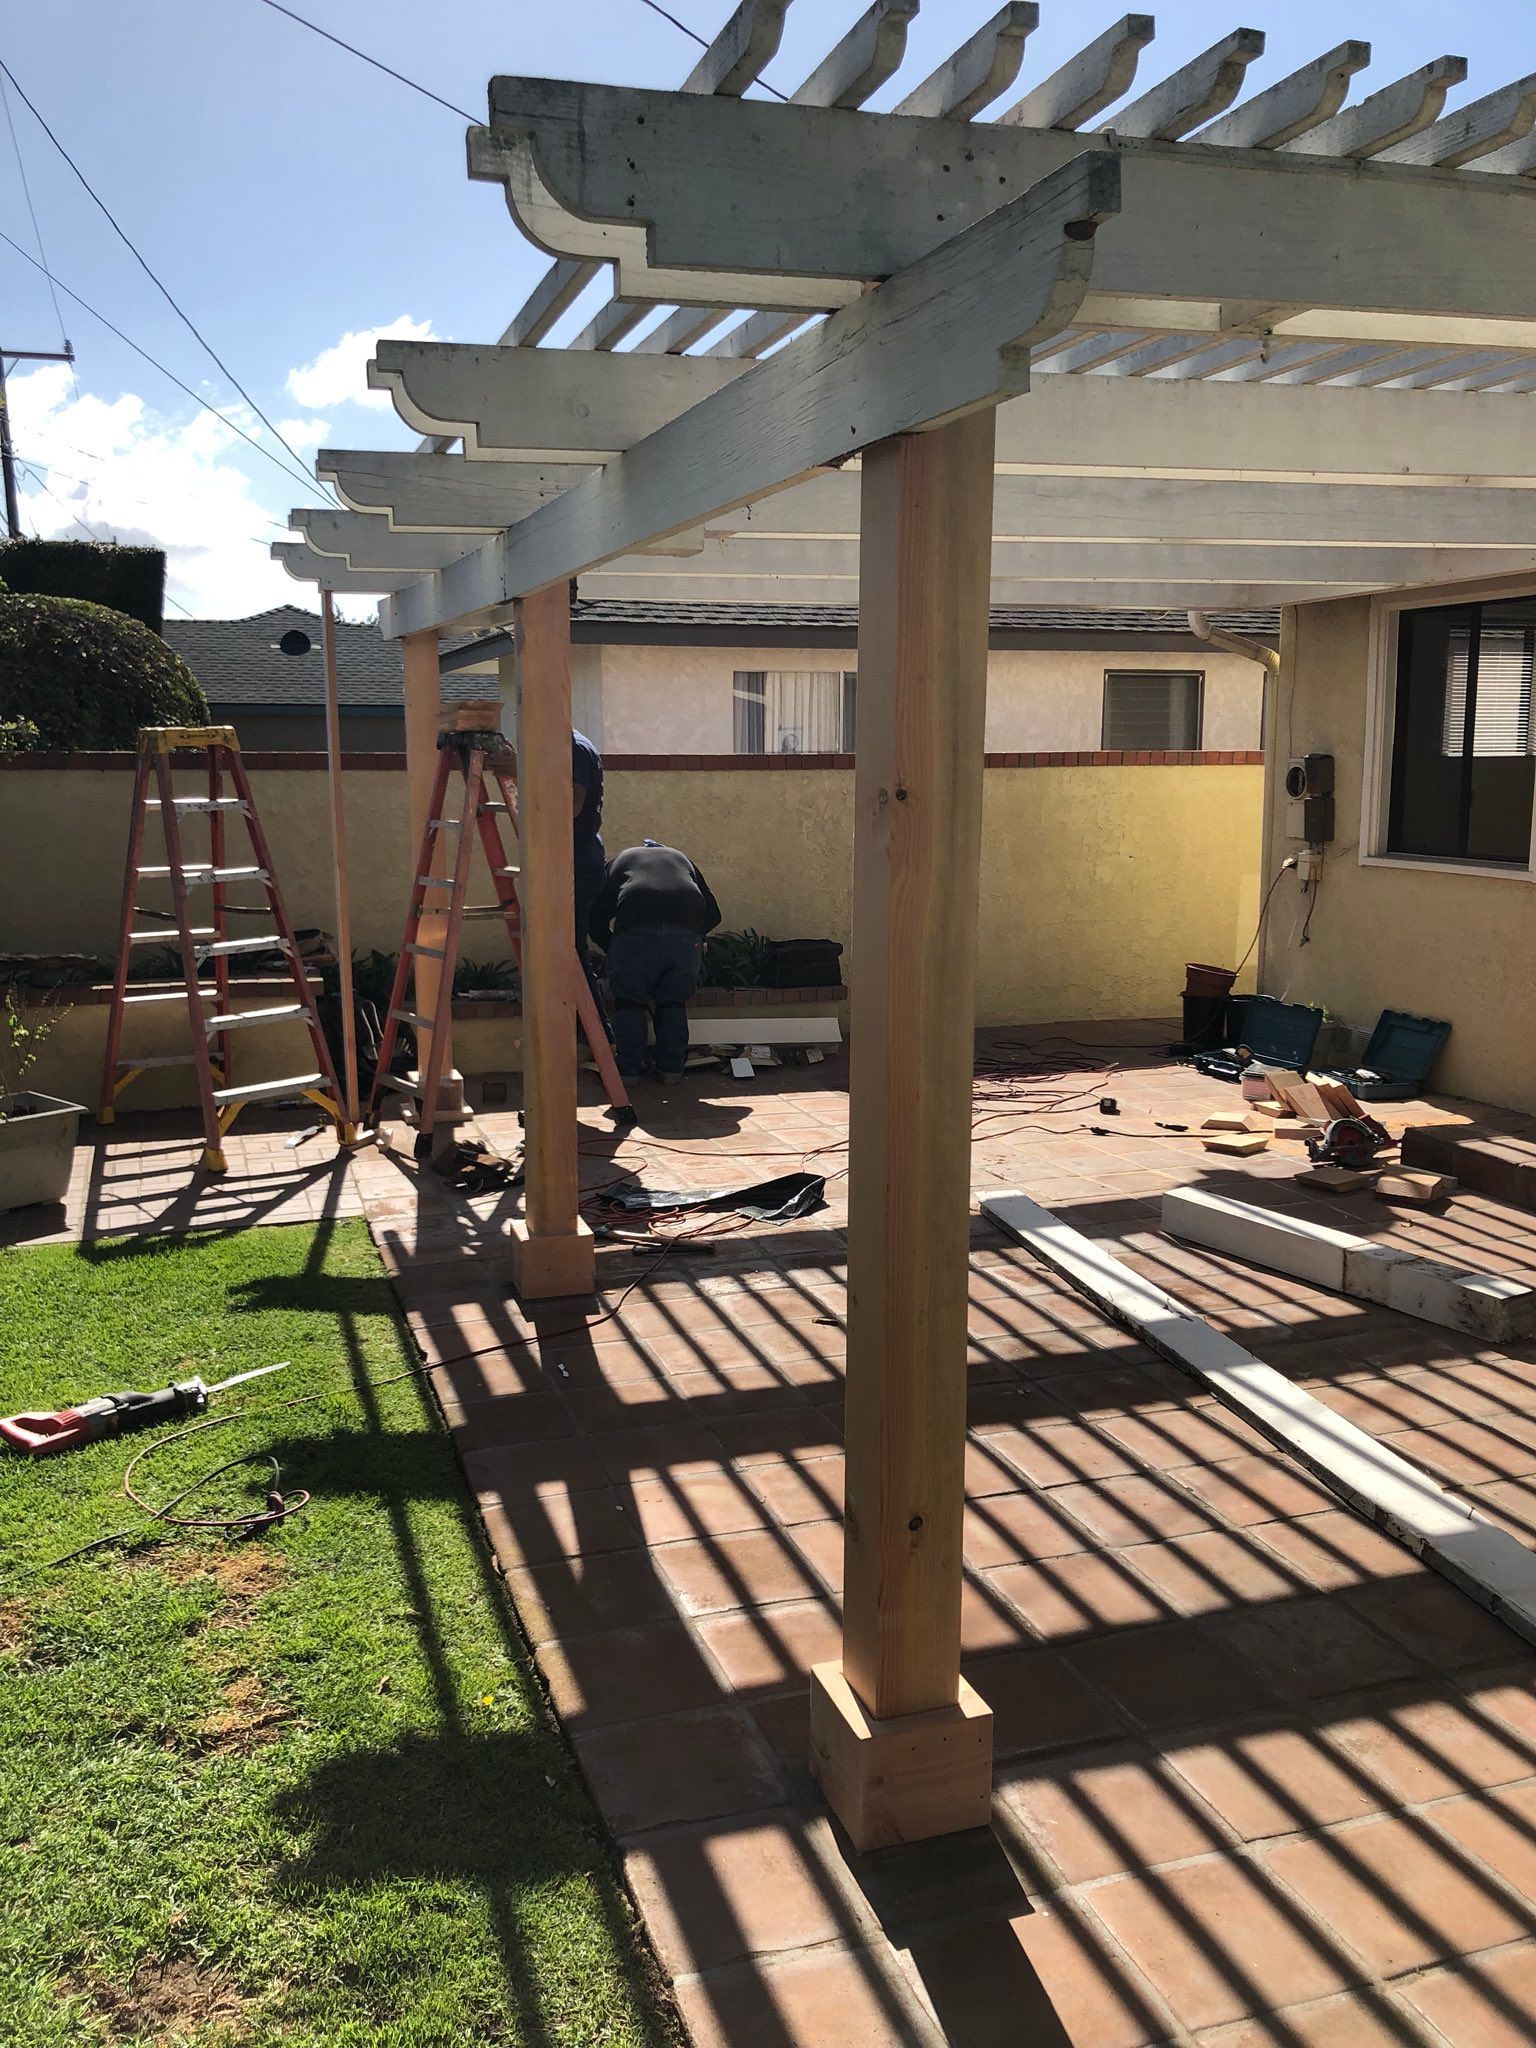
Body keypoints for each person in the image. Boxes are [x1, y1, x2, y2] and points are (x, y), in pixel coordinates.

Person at [587, 840, 721, 1083]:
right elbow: (713, 914)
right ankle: (671, 1070)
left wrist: (614, 948)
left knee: (629, 1002)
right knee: (673, 1003)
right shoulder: (682, 858)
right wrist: (690, 938)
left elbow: (595, 917)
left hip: (634, 937)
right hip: (685, 937)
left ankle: (628, 1072)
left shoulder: (620, 861)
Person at [570, 728, 610, 1029]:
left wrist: (521, 772)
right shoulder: (572, 746)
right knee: (568, 951)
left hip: (577, 865)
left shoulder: (574, 748)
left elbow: (571, 805)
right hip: (575, 861)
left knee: (573, 952)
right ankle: (594, 1033)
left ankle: (598, 1034)